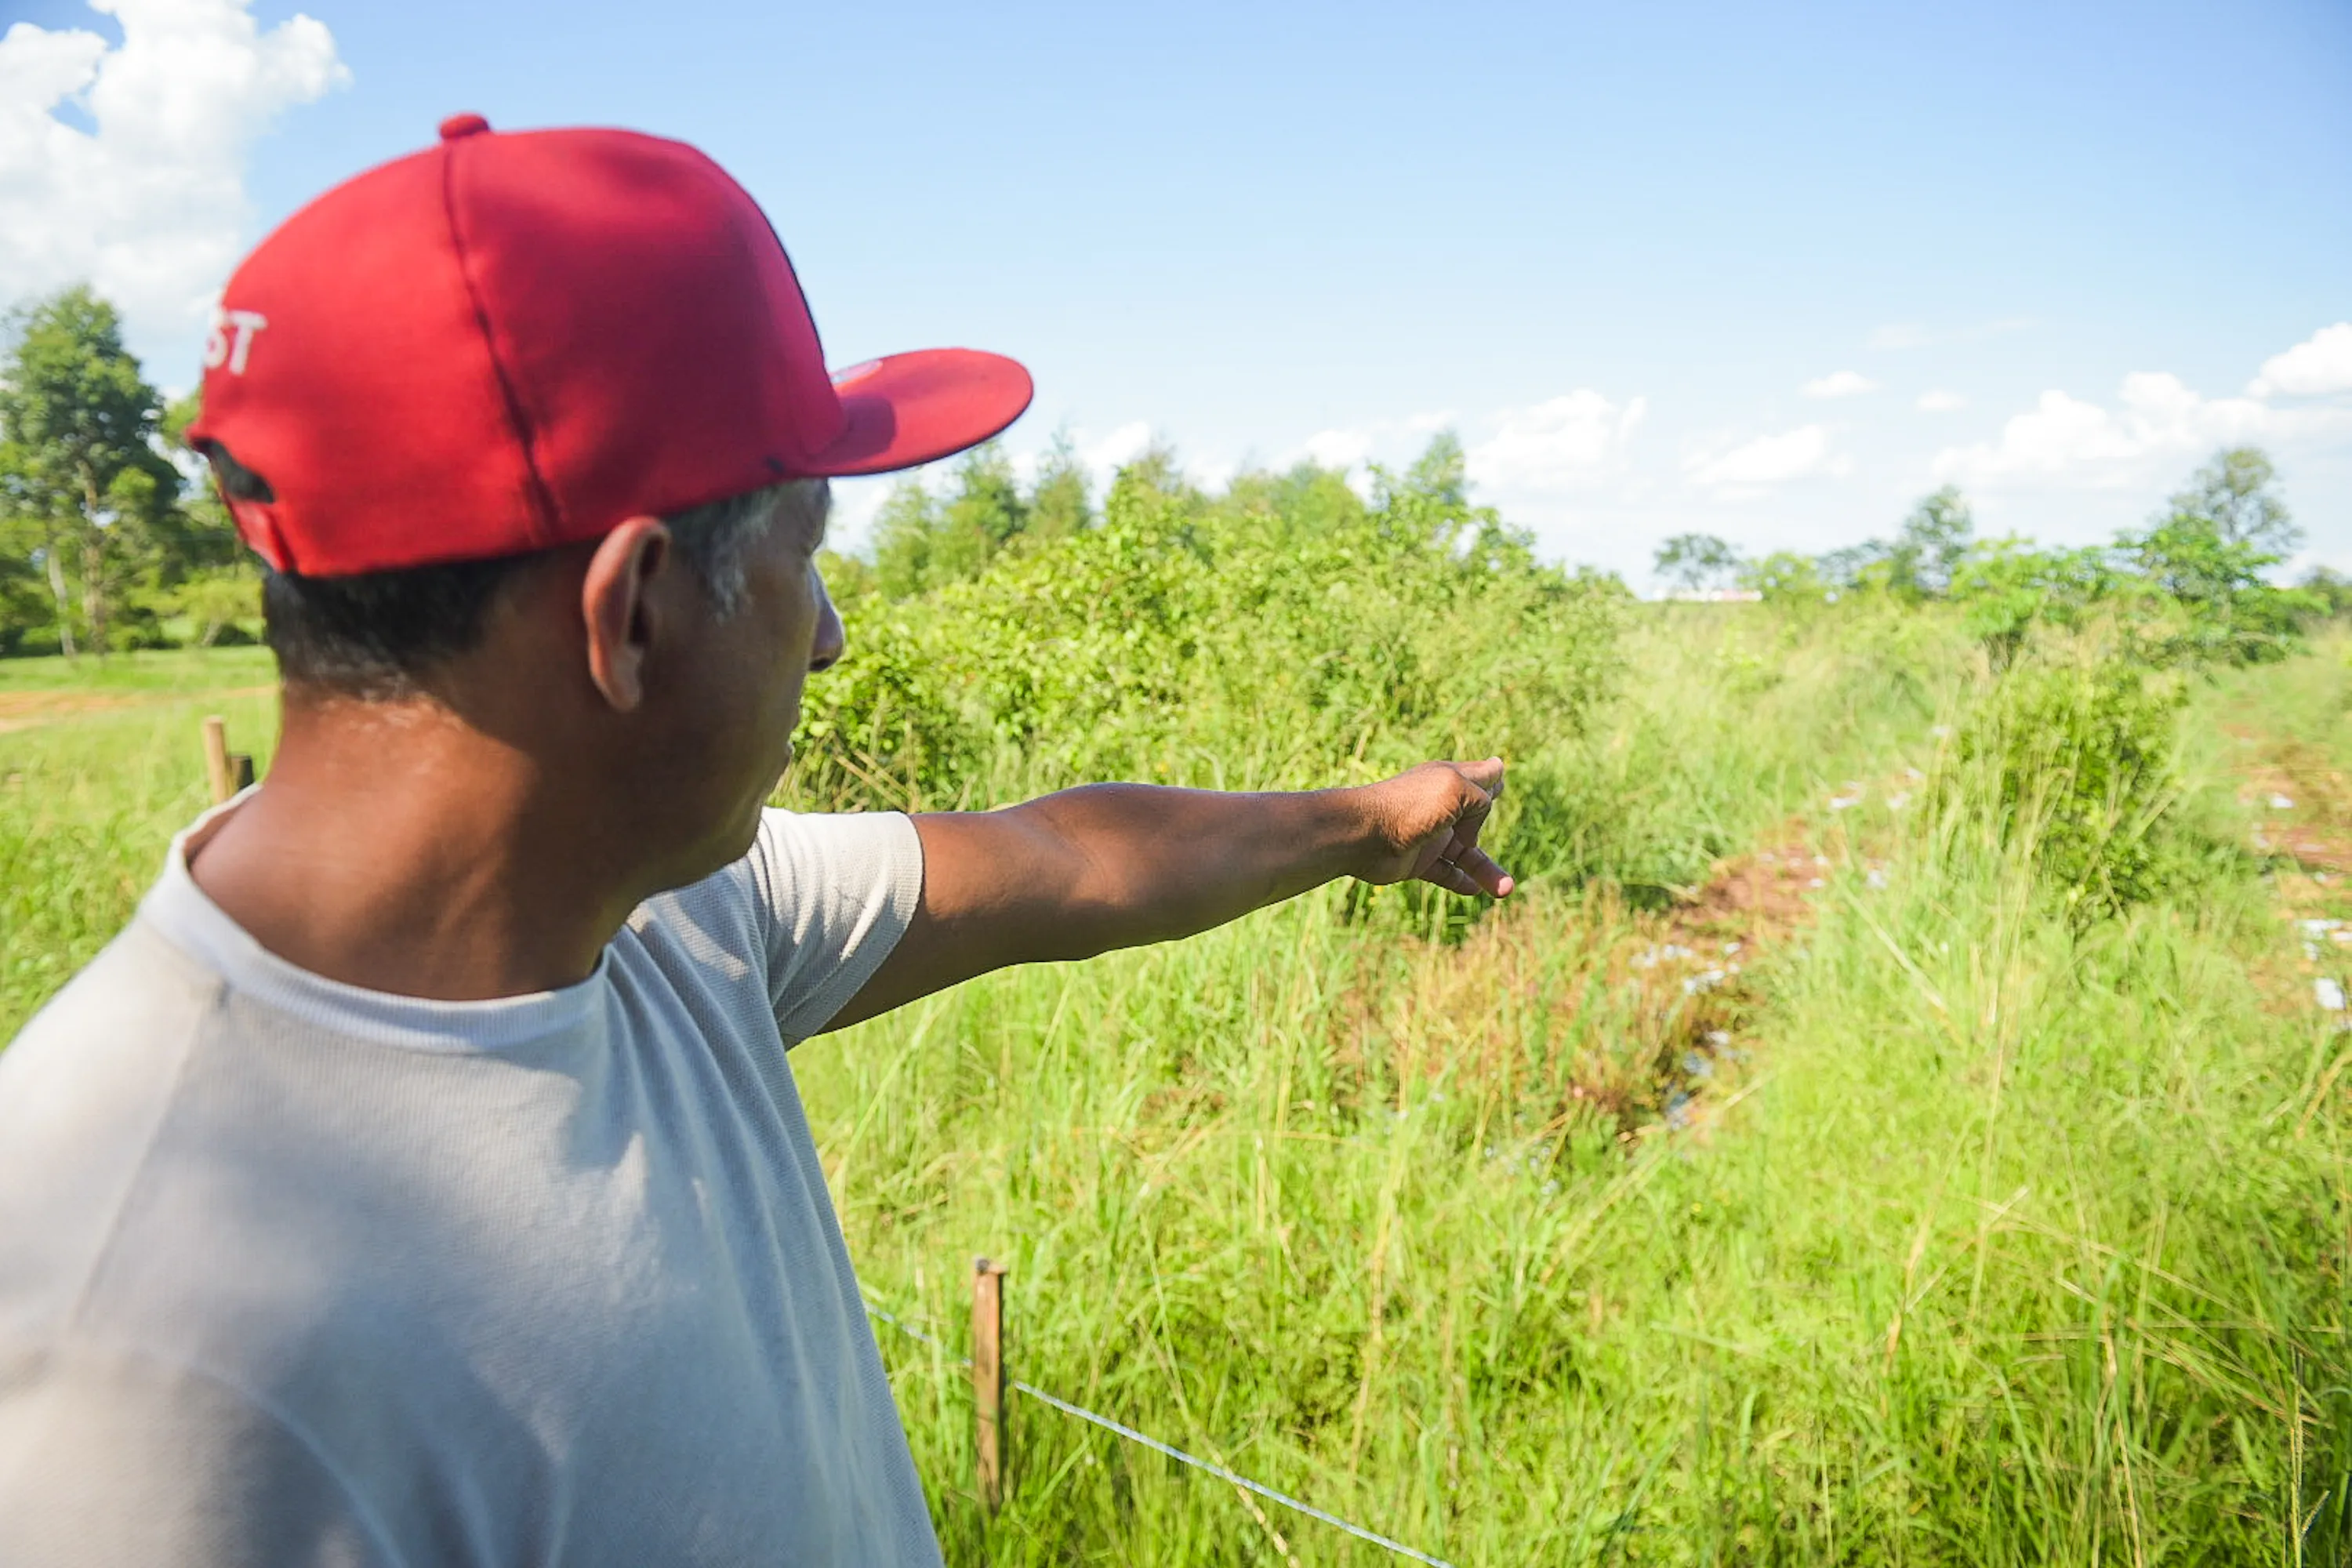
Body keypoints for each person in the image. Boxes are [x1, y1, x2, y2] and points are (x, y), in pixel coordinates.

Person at [0, 116, 1512, 1566]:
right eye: (808, 557)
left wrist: (1369, 821)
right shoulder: (142, 1355)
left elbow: (1066, 859)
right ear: (636, 614)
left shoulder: (667, 916)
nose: (836, 639)